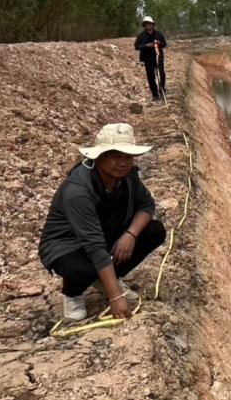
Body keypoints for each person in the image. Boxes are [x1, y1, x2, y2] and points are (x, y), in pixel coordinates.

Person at [39, 123, 166, 322]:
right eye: (116, 156)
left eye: (127, 157)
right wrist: (116, 296)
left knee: (154, 230)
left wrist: (130, 235)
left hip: (103, 232)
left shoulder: (128, 176)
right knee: (83, 270)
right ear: (99, 156)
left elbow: (147, 205)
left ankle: (104, 279)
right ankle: (73, 293)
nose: (123, 163)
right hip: (67, 244)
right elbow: (94, 245)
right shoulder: (78, 191)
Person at [134, 15, 167, 102]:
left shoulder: (158, 34)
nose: (149, 26)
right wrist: (146, 45)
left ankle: (162, 90)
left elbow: (164, 44)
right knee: (151, 76)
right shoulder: (141, 36)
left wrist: (159, 43)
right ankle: (155, 94)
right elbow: (136, 46)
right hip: (147, 59)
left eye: (150, 24)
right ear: (145, 26)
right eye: (147, 24)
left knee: (161, 74)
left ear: (153, 25)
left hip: (158, 57)